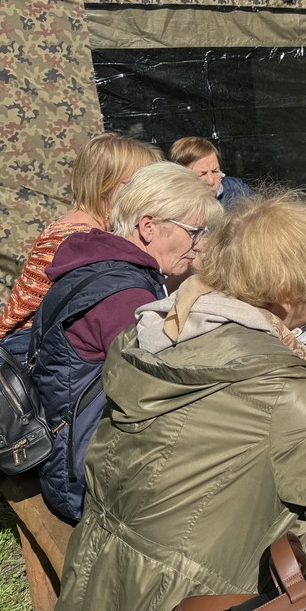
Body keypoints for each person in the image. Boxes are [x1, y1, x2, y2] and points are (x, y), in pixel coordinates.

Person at [54, 191, 306, 611]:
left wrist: (297, 373)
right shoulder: (274, 385)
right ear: (287, 297)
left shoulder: (156, 334)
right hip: (196, 602)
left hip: (102, 584)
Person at [33, 162, 221, 521]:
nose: (199, 244)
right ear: (148, 227)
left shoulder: (101, 263)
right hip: (87, 480)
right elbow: (161, 397)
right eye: (194, 232)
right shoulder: (126, 298)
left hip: (65, 452)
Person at [0, 132, 161, 348]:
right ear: (106, 184)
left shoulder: (81, 228)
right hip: (33, 349)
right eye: (140, 186)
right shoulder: (78, 240)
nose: (149, 195)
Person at [170, 135, 253, 209]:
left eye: (215, 171)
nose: (211, 181)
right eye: (202, 174)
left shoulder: (237, 189)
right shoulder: (172, 206)